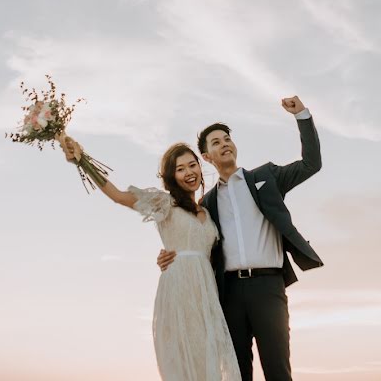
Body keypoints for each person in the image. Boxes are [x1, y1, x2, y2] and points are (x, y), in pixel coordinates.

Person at [156, 95, 323, 381]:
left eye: (226, 139)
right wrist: (169, 255)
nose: (224, 144)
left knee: (278, 370)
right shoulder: (206, 205)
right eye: (216, 142)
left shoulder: (266, 177)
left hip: (268, 287)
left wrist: (302, 117)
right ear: (207, 157)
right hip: (228, 293)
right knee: (237, 372)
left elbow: (311, 164)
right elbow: (195, 243)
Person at [60, 136, 241, 380]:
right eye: (180, 168)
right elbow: (118, 196)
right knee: (186, 358)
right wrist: (84, 162)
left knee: (209, 360)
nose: (189, 172)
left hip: (207, 294)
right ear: (171, 176)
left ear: (200, 166)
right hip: (179, 289)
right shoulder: (165, 202)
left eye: (192, 165)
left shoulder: (207, 211)